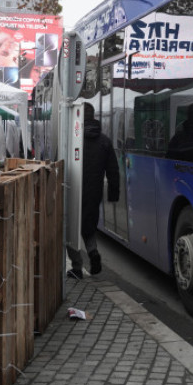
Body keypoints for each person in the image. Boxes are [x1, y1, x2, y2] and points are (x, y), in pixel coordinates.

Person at [70, 103, 119, 278]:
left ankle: (77, 267)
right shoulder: (105, 141)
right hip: (94, 192)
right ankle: (93, 253)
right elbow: (113, 170)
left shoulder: (74, 139)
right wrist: (113, 194)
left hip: (73, 189)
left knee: (72, 227)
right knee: (88, 225)